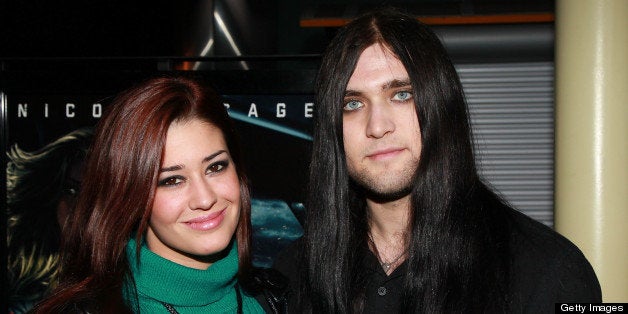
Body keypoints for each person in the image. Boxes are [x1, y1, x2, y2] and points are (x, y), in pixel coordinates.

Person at [274, 8, 602, 313]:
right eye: (352, 104)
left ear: (442, 105)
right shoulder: (293, 276)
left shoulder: (547, 273)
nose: (377, 127)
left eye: (401, 94)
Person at [32, 77, 286, 313]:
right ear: (131, 195)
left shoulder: (278, 297)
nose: (205, 199)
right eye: (172, 180)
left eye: (215, 167)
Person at [6, 127, 92, 313]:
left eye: (93, 195)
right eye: (71, 191)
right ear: (52, 198)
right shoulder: (24, 293)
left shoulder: (137, 278)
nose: (80, 208)